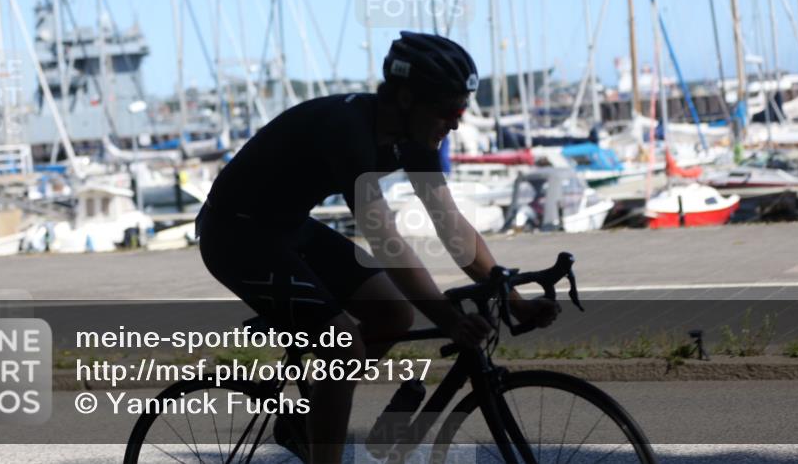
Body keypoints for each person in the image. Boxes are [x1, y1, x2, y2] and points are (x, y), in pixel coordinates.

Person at [197, 31, 559, 463]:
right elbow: (385, 238)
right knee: (344, 342)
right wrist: (447, 318)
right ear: (407, 99)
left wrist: (515, 301)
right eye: (449, 110)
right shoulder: (348, 131)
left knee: (394, 314)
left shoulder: (416, 138)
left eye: (461, 110)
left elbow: (449, 224)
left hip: (288, 227)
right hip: (235, 236)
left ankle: (314, 419)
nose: (457, 122)